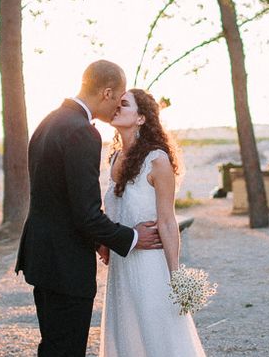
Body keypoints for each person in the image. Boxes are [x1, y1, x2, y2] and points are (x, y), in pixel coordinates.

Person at [15, 60, 163, 357]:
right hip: (66, 263)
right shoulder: (83, 132)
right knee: (66, 349)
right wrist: (130, 238)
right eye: (119, 99)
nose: (118, 108)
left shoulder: (48, 122)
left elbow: (61, 199)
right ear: (107, 92)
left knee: (54, 345)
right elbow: (86, 212)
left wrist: (99, 240)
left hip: (42, 257)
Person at [98, 88, 206, 357]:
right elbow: (110, 213)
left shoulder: (157, 160)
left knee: (158, 337)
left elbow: (168, 222)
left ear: (142, 118)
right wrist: (106, 242)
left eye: (124, 104)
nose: (117, 108)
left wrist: (175, 276)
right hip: (122, 266)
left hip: (150, 266)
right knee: (127, 336)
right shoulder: (112, 159)